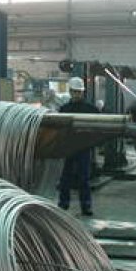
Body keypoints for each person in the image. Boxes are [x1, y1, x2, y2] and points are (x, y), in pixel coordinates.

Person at [58, 76, 98, 216]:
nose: (77, 94)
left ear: (83, 92)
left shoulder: (91, 110)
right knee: (65, 178)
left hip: (83, 148)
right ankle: (63, 204)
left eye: (79, 92)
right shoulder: (64, 109)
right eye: (74, 91)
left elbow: (98, 129)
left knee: (84, 178)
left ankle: (86, 206)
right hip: (68, 148)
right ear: (70, 92)